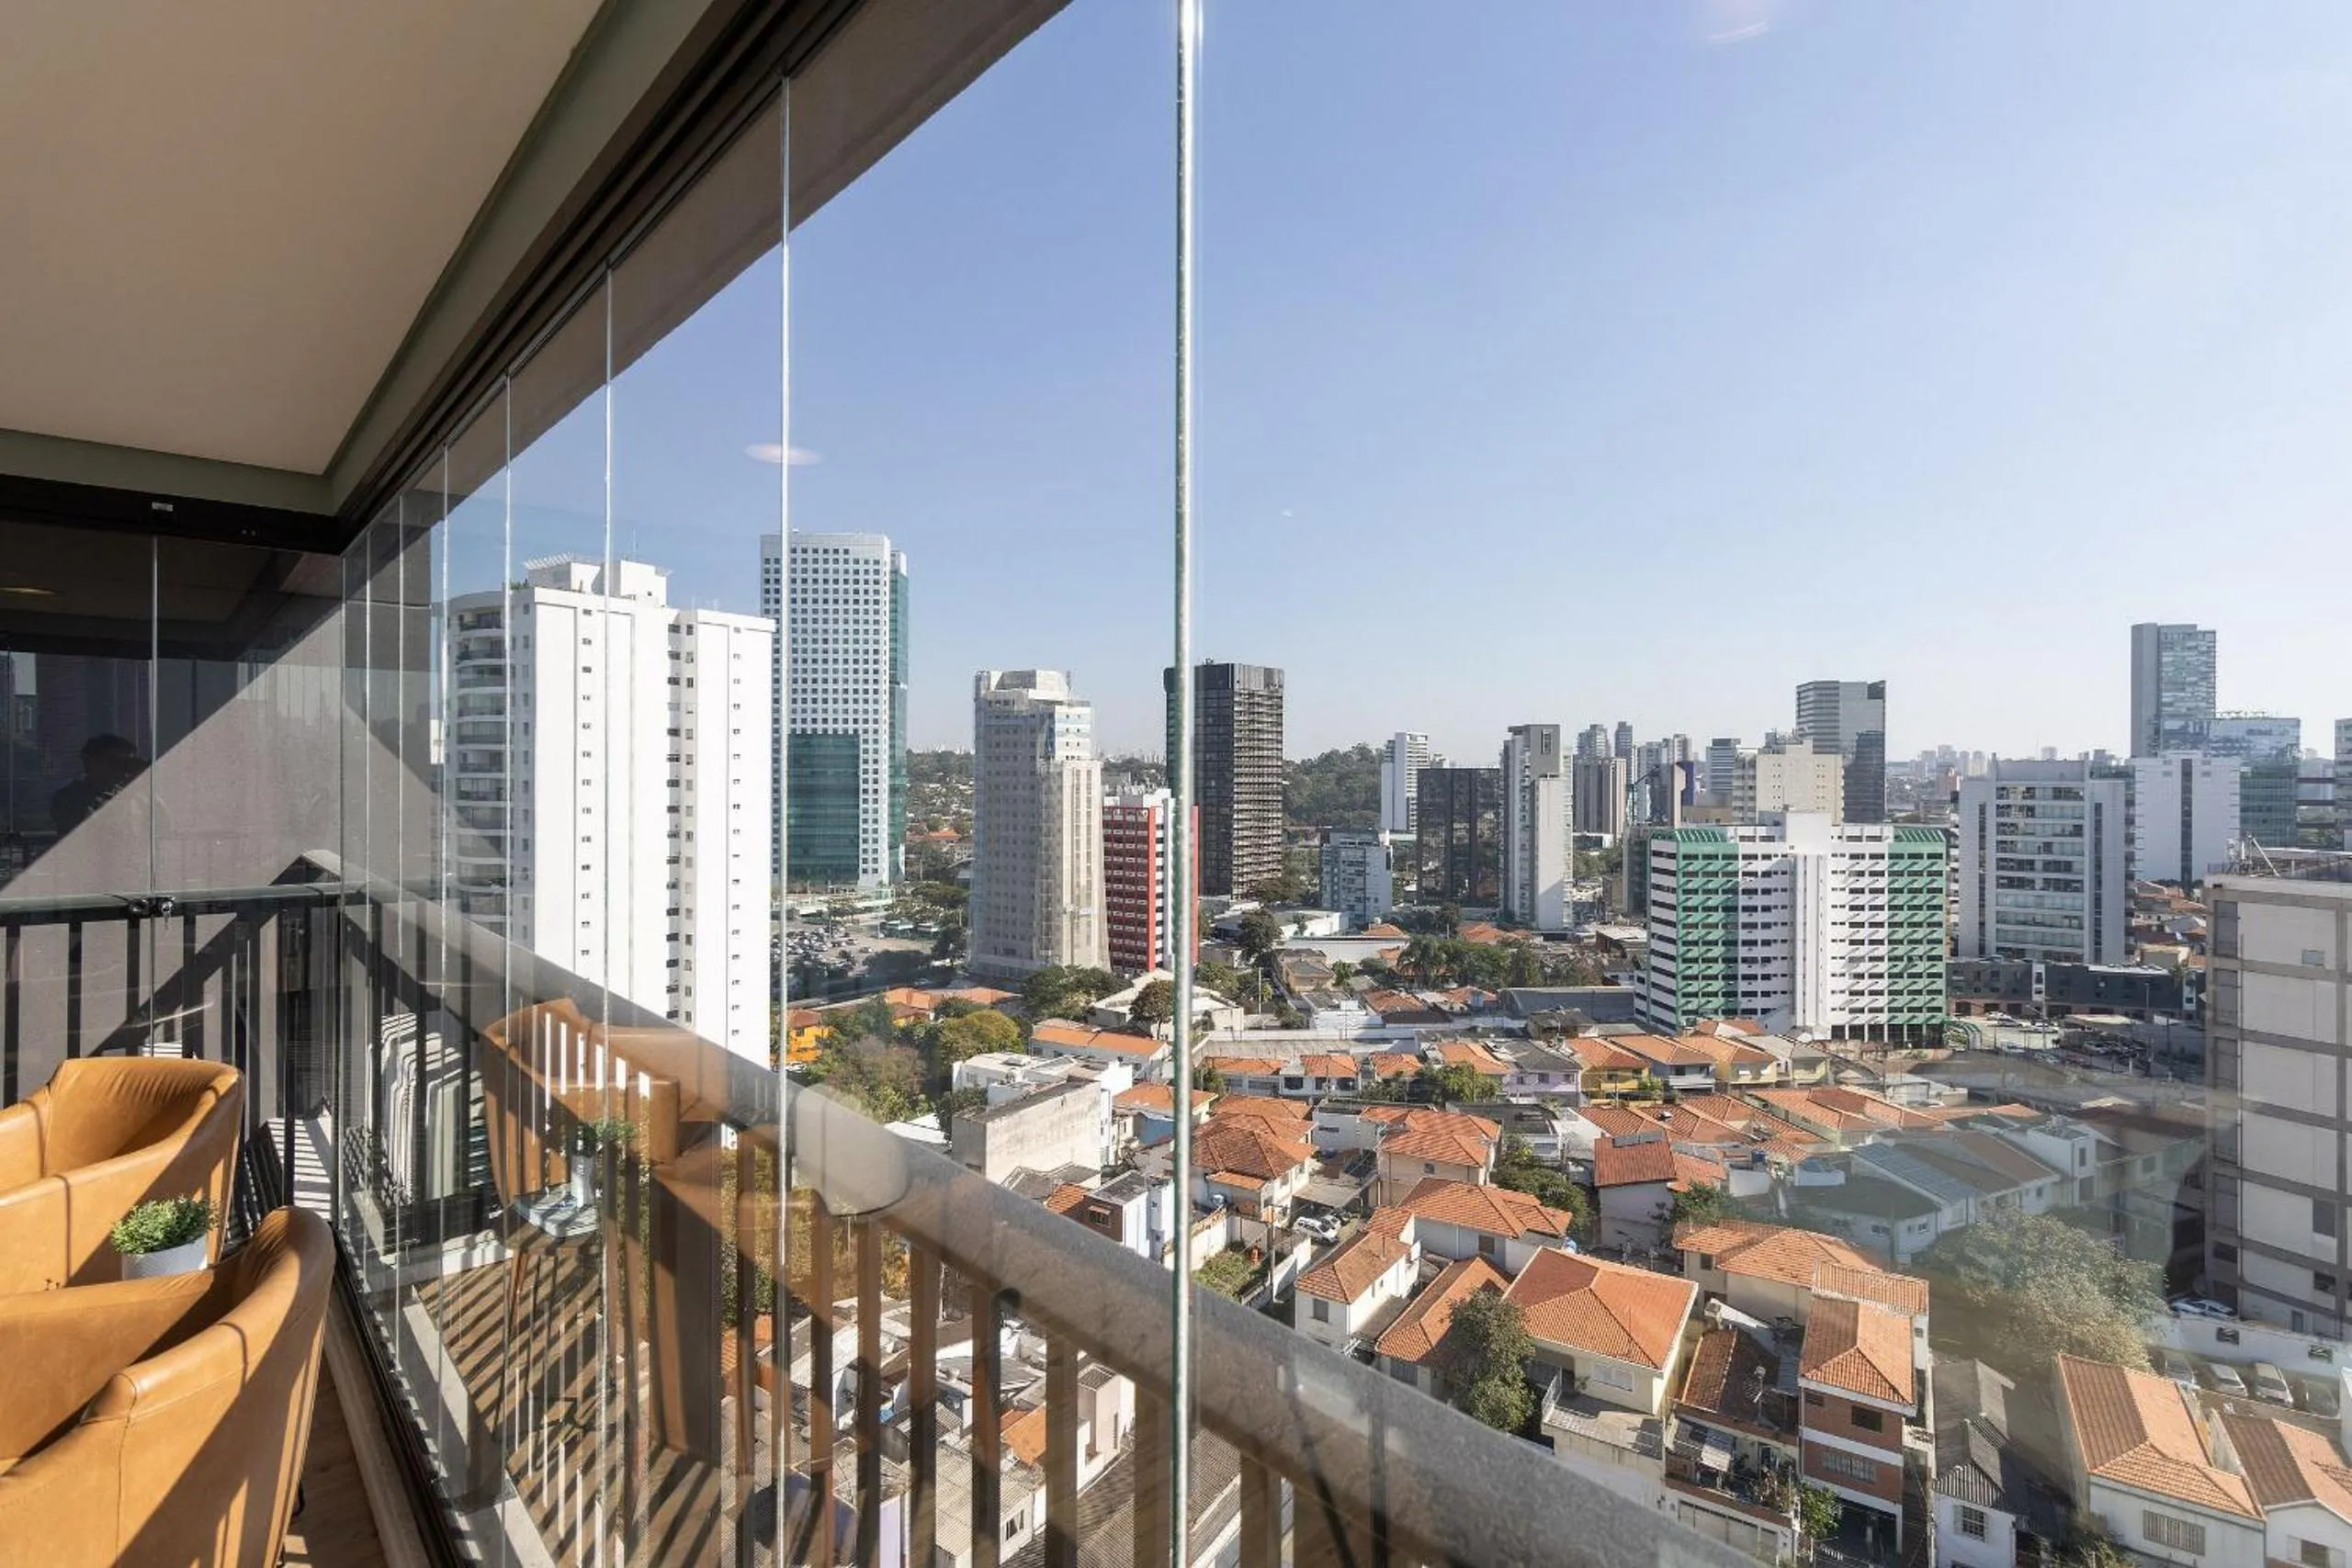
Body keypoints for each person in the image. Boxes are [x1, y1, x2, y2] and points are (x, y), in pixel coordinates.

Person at [51, 733, 145, 833]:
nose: (121, 769)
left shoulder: (137, 799)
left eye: (126, 764)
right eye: (115, 762)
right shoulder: (69, 798)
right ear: (91, 762)